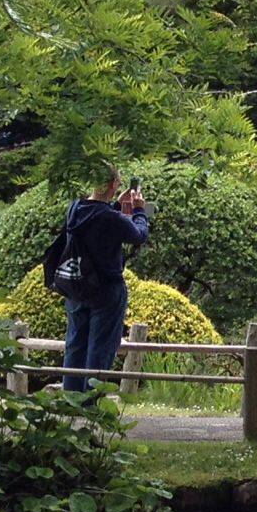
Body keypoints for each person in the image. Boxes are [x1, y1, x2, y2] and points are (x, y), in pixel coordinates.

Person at [58, 168, 151, 393]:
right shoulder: (110, 217)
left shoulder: (75, 209)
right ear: (113, 184)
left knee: (75, 346)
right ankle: (90, 403)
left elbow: (96, 221)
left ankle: (69, 401)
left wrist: (116, 205)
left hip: (77, 285)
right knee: (100, 349)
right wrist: (139, 210)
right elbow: (139, 235)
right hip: (107, 289)